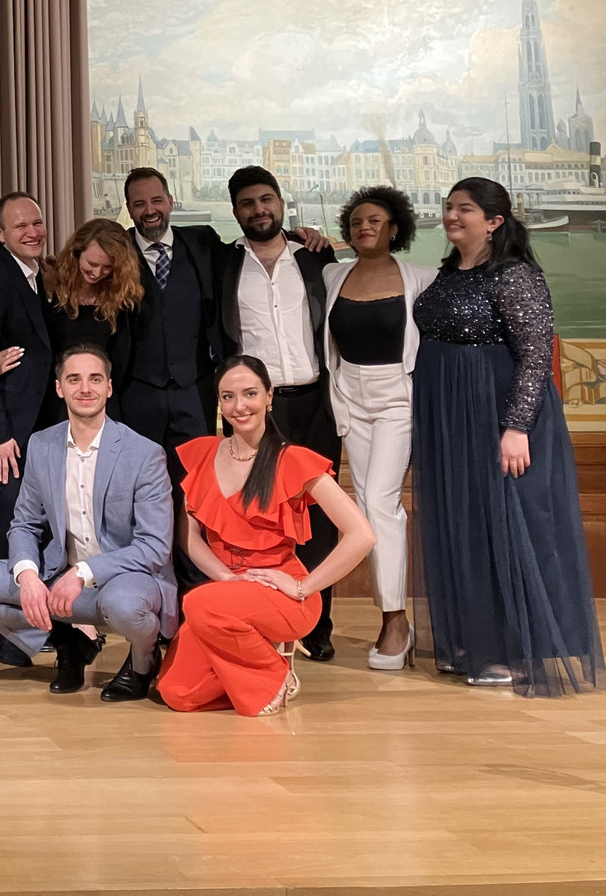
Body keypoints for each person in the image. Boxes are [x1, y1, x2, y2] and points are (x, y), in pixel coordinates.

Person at [412, 177, 604, 695]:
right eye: (449, 207)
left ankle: (522, 653)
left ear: (495, 221)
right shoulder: (450, 272)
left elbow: (537, 355)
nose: (452, 216)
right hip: (451, 415)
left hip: (496, 415)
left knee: (511, 526)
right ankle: (478, 640)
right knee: (467, 522)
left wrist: (516, 427)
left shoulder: (515, 275)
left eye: (465, 209)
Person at [0, 345, 178, 701]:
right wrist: (27, 576)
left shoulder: (144, 453)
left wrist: (82, 572)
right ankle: (69, 641)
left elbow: (154, 547)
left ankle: (142, 662)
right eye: (74, 379)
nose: (85, 388)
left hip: (123, 579)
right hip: (58, 576)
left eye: (95, 379)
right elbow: (24, 523)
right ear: (59, 388)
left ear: (109, 388)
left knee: (125, 607)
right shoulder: (42, 444)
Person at [159, 356, 375, 716]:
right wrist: (226, 579)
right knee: (176, 693)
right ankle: (248, 666)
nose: (239, 406)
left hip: (284, 594)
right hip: (223, 594)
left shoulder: (293, 459)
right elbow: (189, 536)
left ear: (269, 396)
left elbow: (362, 535)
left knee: (196, 603)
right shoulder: (203, 454)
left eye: (250, 394)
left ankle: (275, 674)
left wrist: (304, 587)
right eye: (228, 397)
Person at [215, 166, 342, 662]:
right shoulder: (223, 262)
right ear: (235, 211)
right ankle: (265, 618)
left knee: (320, 516)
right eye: (248, 203)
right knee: (262, 517)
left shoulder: (314, 257)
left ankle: (316, 622)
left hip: (314, 404)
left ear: (281, 203)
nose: (259, 210)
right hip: (255, 411)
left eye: (266, 199)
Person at [321, 184, 435, 669]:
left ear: (394, 228)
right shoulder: (332, 274)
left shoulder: (422, 278)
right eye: (356, 222)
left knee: (382, 504)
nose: (364, 227)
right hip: (349, 398)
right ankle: (390, 615)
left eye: (375, 220)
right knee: (366, 507)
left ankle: (395, 621)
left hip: (397, 399)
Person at [0, 193, 53, 569]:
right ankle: (2, 619)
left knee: (40, 517)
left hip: (39, 422)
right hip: (11, 428)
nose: (32, 232)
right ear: (0, 233)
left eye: (36, 223)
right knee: (12, 520)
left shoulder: (36, 271)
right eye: (21, 226)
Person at [117, 167, 223, 465]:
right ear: (129, 209)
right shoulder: (116, 251)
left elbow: (250, 248)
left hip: (195, 389)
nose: (150, 211)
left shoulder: (204, 242)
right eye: (139, 204)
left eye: (157, 200)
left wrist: (295, 235)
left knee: (196, 483)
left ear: (171, 201)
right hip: (137, 393)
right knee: (141, 482)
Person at [19, 217, 140, 418]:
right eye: (92, 263)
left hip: (103, 401)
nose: (97, 272)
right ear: (76, 253)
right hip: (54, 397)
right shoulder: (51, 284)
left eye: (107, 267)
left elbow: (123, 359)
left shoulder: (121, 297)